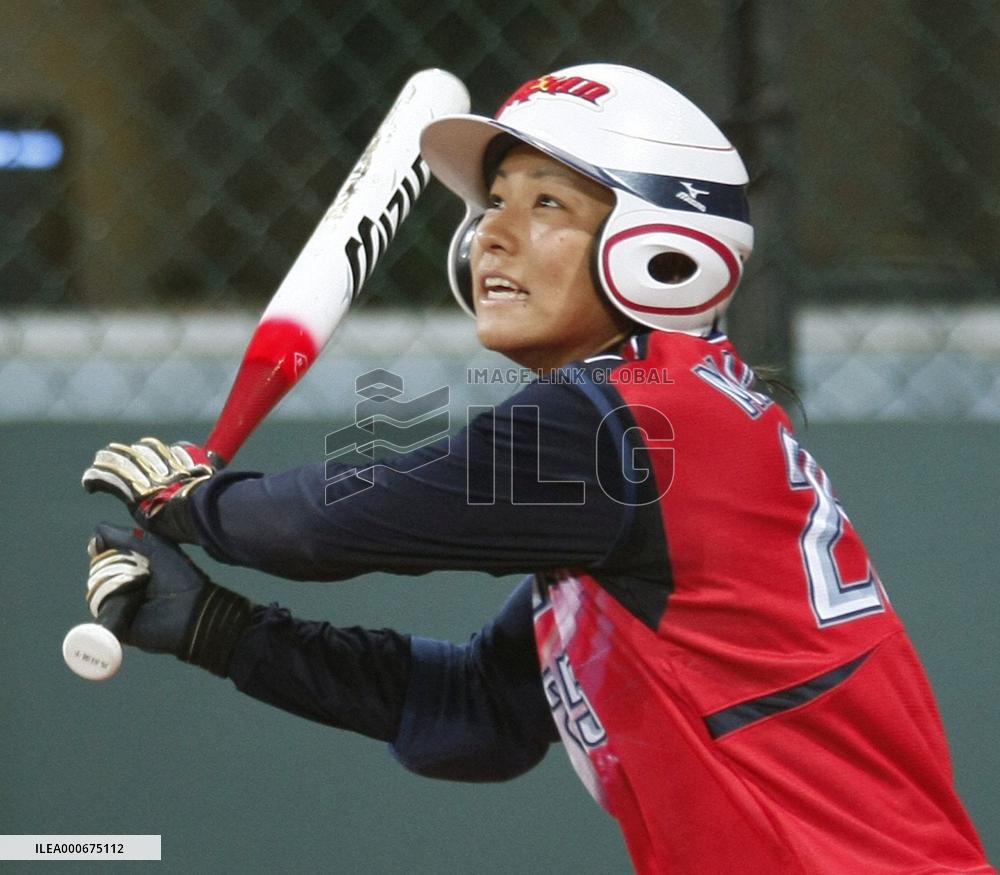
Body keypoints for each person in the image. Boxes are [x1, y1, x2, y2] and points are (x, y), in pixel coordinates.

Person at [80, 64, 994, 874]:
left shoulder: (635, 419)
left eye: (547, 204)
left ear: (661, 251)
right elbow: (478, 713)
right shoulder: (663, 431)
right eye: (493, 202)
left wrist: (194, 501)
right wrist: (219, 631)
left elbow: (320, 528)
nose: (491, 236)